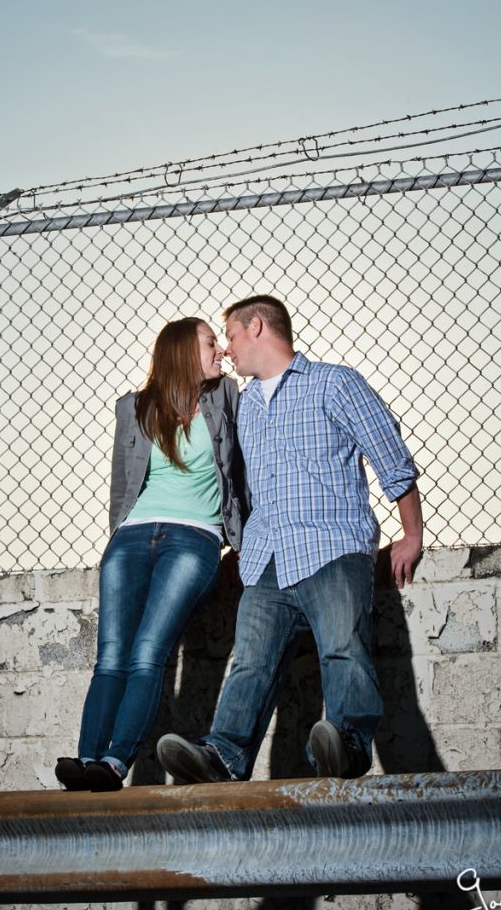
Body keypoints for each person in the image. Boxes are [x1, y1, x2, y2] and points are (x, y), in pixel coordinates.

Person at [157, 295, 422, 784]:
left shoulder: (335, 383)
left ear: (256, 327)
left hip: (332, 546)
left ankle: (348, 743)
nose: (228, 350)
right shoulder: (248, 404)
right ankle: (225, 755)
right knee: (250, 664)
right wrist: (240, 546)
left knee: (344, 649)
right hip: (266, 557)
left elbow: (391, 456)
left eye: (231, 337)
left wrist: (412, 534)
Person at [55, 317, 247, 792]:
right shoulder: (134, 407)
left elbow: (243, 469)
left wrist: (243, 541)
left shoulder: (226, 397)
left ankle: (115, 763)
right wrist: (116, 537)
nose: (220, 350)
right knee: (110, 656)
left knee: (146, 653)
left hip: (194, 538)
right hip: (132, 538)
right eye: (210, 343)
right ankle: (86, 760)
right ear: (183, 351)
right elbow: (124, 485)